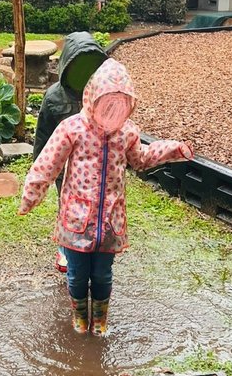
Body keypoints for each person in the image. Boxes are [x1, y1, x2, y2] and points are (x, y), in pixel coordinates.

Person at [19, 58, 193, 335]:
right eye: (107, 102)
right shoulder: (72, 129)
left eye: (119, 103)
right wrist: (31, 195)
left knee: (102, 274)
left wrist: (172, 149)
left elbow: (141, 159)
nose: (112, 110)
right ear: (92, 98)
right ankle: (80, 317)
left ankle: (99, 319)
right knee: (77, 274)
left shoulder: (127, 133)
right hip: (78, 217)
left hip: (110, 219)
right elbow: (48, 163)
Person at [33, 32, 108, 273]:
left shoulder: (104, 94)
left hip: (95, 165)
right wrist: (41, 170)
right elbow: (44, 134)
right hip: (66, 168)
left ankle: (93, 244)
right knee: (68, 206)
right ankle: (66, 249)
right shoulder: (54, 96)